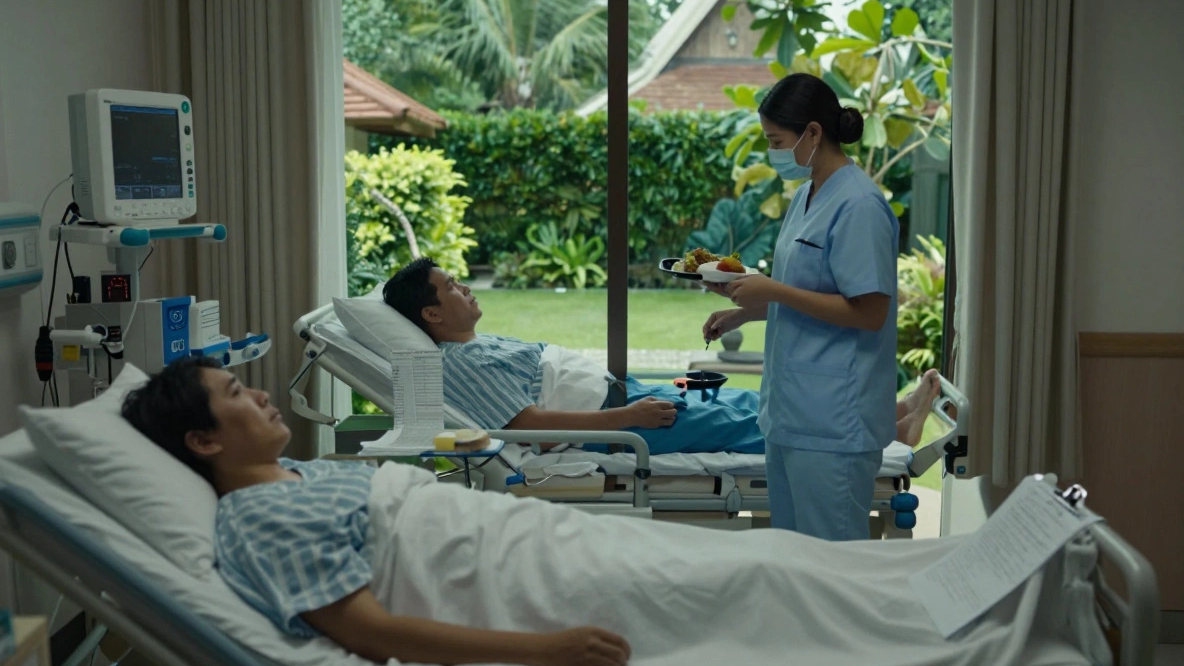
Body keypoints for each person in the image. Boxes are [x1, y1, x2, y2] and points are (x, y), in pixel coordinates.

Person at [121, 356, 634, 666]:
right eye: (236, 393)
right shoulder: (259, 518)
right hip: (510, 571)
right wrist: (547, 651)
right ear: (204, 440)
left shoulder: (298, 473)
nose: (261, 395)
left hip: (522, 535)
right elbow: (371, 632)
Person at [382, 257, 938, 453]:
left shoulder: (477, 344)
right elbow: (527, 427)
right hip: (627, 419)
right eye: (454, 287)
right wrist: (626, 418)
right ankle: (891, 431)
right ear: (430, 315)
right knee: (768, 421)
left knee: (751, 401)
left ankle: (893, 417)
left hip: (631, 396)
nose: (466, 289)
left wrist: (636, 397)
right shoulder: (455, 364)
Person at [700, 73, 901, 542]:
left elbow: (869, 313)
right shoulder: (806, 195)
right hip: (791, 414)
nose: (773, 153)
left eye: (777, 141)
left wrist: (771, 291)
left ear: (813, 133)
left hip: (834, 421)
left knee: (829, 569)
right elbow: (804, 290)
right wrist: (746, 309)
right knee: (794, 559)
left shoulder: (859, 206)